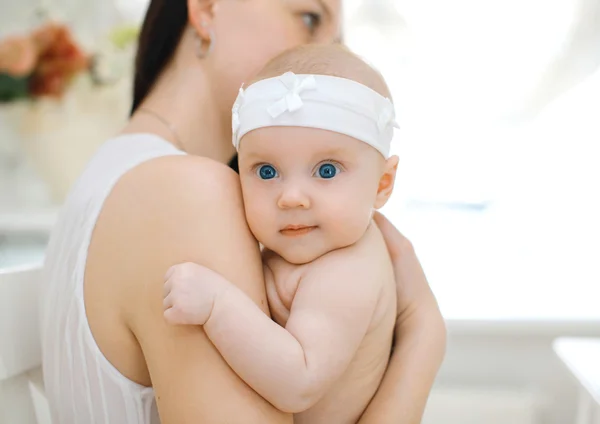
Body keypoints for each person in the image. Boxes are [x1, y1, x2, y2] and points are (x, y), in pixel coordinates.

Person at [39, 1, 446, 423]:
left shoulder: (115, 169)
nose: (329, 52)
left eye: (326, 170)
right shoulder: (187, 191)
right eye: (309, 18)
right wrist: (422, 339)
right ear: (208, 9)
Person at [163, 44, 400, 424]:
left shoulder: (348, 270)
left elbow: (299, 381)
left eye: (326, 170)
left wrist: (216, 304)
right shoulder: (304, 248)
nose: (290, 198)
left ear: (382, 185)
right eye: (267, 172)